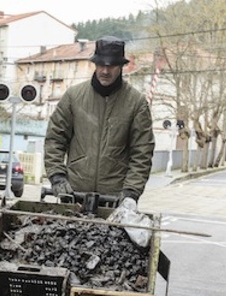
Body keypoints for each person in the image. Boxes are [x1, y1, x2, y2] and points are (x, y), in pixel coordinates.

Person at [44, 36, 154, 208]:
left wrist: (131, 191)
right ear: (95, 64)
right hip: (73, 195)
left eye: (111, 66)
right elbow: (55, 139)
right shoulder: (74, 97)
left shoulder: (136, 103)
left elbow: (142, 152)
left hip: (114, 199)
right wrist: (57, 177)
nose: (105, 71)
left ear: (121, 67)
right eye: (101, 65)